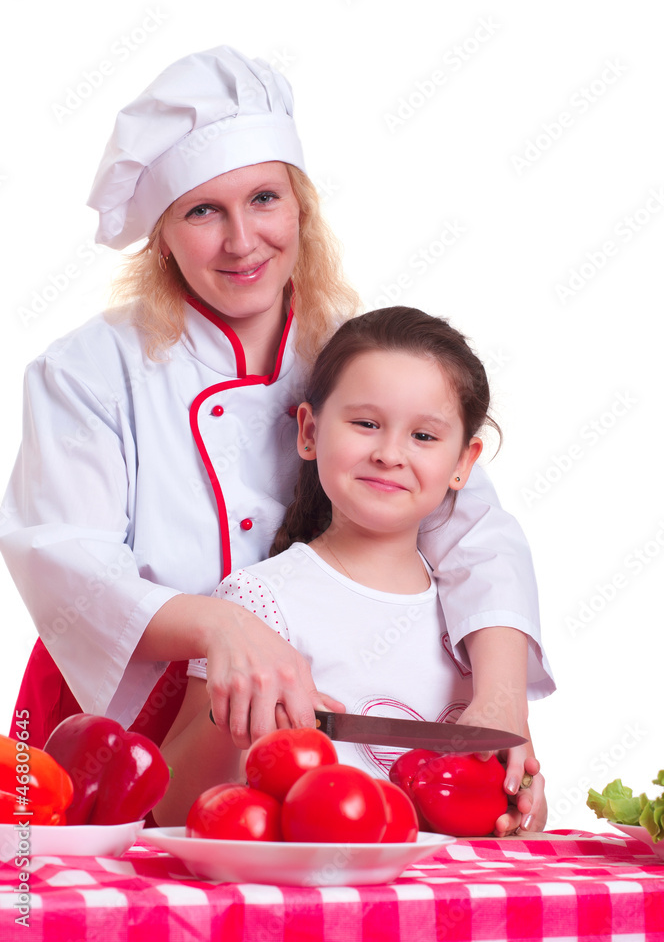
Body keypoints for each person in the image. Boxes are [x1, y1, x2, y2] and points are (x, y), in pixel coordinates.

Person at [0, 45, 553, 756]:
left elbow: (473, 530)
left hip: (299, 704)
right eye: (202, 211)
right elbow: (66, 560)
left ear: (301, 206)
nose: (242, 242)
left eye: (264, 198)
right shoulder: (89, 370)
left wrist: (501, 706)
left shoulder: (354, 354)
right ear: (163, 239)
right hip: (113, 714)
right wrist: (222, 625)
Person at [155, 306, 550, 834]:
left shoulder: (478, 625)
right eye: (366, 424)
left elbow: (518, 809)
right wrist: (229, 715)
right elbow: (174, 806)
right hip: (315, 906)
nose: (390, 453)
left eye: (425, 437)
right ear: (310, 432)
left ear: (464, 463)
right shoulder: (256, 601)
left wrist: (521, 803)